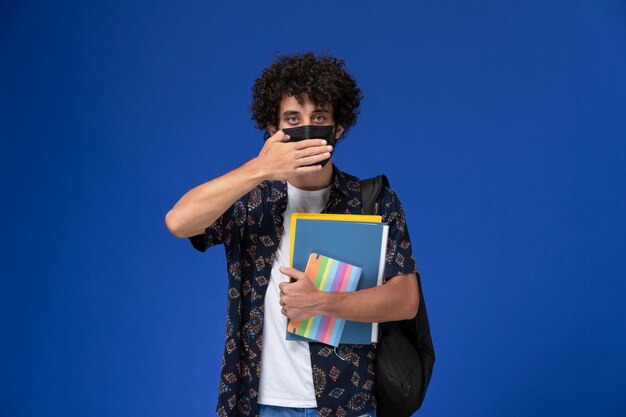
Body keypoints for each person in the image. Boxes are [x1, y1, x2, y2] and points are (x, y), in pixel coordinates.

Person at [165, 52, 419, 417]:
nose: (306, 128)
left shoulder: (373, 199)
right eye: (292, 119)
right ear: (273, 129)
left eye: (318, 117)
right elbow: (179, 221)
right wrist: (259, 168)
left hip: (347, 403)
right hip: (260, 402)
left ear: (338, 128)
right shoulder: (249, 199)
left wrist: (323, 302)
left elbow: (405, 299)